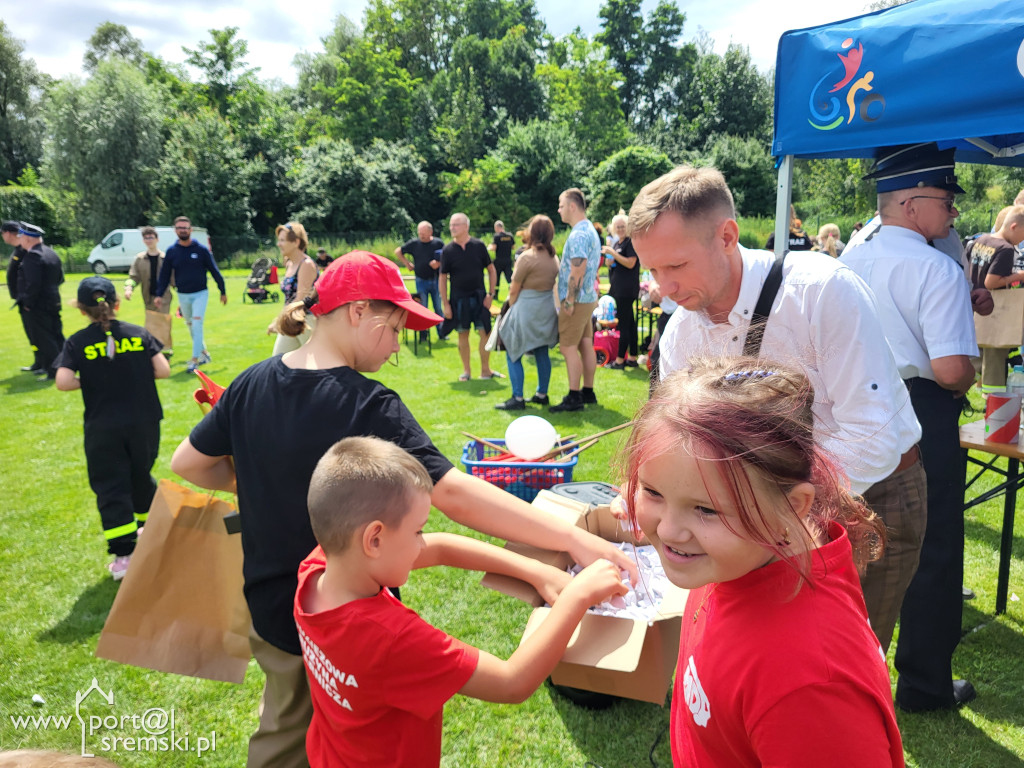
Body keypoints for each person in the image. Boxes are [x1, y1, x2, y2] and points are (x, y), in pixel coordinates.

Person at [170, 251, 638, 768]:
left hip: (280, 612)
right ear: (356, 312)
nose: (396, 347)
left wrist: (259, 480)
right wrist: (569, 538)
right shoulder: (368, 404)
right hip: (351, 624)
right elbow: (453, 494)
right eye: (392, 329)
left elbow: (188, 463)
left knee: (286, 733)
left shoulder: (251, 382)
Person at [628, 165, 925, 656]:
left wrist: (772, 509)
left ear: (727, 236)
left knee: (840, 661)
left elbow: (875, 433)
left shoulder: (822, 291)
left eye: (675, 266)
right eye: (653, 270)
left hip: (868, 498)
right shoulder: (682, 331)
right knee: (760, 655)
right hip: (746, 515)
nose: (664, 287)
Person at [622, 357, 903, 768]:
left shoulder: (808, 684)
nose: (668, 531)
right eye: (653, 492)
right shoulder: (734, 559)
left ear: (792, 507)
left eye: (705, 510)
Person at [295, 436, 627, 768]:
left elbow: (440, 549)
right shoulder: (391, 640)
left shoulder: (318, 568)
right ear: (375, 539)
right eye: (417, 532)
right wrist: (578, 594)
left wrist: (535, 570)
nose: (422, 542)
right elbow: (511, 682)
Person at [842, 142, 980, 713]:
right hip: (921, 408)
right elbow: (951, 371)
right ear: (912, 203)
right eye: (945, 200)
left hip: (855, 407)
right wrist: (966, 373)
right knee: (932, 542)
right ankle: (923, 683)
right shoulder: (937, 267)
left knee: (858, 540)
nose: (951, 212)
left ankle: (849, 668)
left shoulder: (849, 257)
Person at [54, 277, 169, 581]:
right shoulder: (138, 333)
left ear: (81, 310)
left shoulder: (77, 342)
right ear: (117, 304)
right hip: (144, 422)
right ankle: (155, 535)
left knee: (111, 487)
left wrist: (91, 382)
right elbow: (163, 369)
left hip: (104, 427)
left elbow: (63, 381)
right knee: (140, 475)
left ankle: (124, 555)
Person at [494, 215, 559, 410]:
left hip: (527, 308)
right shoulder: (553, 257)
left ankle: (518, 397)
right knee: (541, 351)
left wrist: (511, 308)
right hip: (546, 307)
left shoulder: (527, 257)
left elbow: (514, 289)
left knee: (513, 351)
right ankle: (542, 394)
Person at [153, 216, 226, 373]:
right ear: (175, 230)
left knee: (197, 323)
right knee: (192, 326)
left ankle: (194, 361)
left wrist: (223, 291)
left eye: (185, 227)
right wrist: (159, 294)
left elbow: (214, 270)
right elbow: (164, 275)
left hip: (200, 293)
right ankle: (204, 353)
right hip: (183, 295)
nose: (183, 230)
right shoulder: (172, 252)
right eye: (180, 228)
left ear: (190, 230)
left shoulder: (201, 250)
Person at [551, 188, 602, 412]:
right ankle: (588, 392)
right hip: (588, 297)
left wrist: (569, 300)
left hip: (578, 300)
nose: (559, 210)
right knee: (584, 345)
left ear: (572, 206)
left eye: (561, 205)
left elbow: (577, 269)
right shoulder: (588, 229)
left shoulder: (579, 233)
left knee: (568, 347)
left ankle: (574, 397)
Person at [965, 206, 1024, 388]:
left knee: (977, 352)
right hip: (994, 310)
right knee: (995, 357)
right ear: (1014, 226)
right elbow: (991, 282)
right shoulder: (1006, 249)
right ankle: (996, 400)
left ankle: (968, 383)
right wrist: (1019, 276)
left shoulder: (981, 239)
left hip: (974, 306)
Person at [439, 213, 500, 380]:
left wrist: (490, 294)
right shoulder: (448, 250)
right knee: (462, 334)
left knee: (484, 334)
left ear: (466, 226)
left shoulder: (478, 246)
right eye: (451, 225)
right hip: (458, 300)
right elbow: (442, 278)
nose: (452, 228)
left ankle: (485, 371)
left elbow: (491, 270)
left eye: (456, 224)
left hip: (480, 298)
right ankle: (466, 371)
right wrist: (445, 304)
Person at [18, 222, 65, 380]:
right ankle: (67, 366)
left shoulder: (33, 256)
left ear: (28, 239)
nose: (21, 240)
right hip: (53, 300)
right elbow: (60, 278)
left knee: (44, 337)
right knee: (57, 334)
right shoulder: (51, 253)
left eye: (22, 237)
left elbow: (33, 284)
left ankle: (53, 371)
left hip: (38, 304)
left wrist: (28, 304)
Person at [268, 221, 318, 356]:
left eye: (282, 240)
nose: (278, 244)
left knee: (317, 367)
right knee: (278, 362)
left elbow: (300, 299)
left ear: (296, 242)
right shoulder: (289, 263)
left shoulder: (306, 265)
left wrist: (278, 321)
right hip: (292, 320)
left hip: (307, 322)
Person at [601, 213, 641, 369]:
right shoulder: (618, 242)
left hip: (626, 289)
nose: (620, 229)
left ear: (627, 226)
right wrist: (610, 259)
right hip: (618, 288)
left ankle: (619, 360)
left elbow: (631, 263)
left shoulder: (630, 242)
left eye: (622, 226)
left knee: (623, 325)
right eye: (617, 227)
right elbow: (610, 264)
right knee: (630, 324)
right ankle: (632, 357)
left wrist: (613, 254)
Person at [124, 226, 172, 355]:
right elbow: (133, 277)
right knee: (151, 324)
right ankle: (157, 350)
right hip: (148, 297)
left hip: (164, 297)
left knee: (162, 321)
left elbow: (174, 279)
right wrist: (129, 289)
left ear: (157, 239)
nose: (149, 240)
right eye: (146, 238)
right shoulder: (139, 259)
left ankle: (164, 350)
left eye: (151, 237)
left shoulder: (165, 258)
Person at [395, 221, 444, 342]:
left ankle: (442, 333)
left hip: (435, 280)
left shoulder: (438, 243)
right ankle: (423, 335)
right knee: (423, 308)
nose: (421, 236)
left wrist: (439, 264)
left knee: (438, 307)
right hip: (421, 280)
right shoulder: (414, 244)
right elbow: (398, 251)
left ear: (430, 232)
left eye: (424, 233)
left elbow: (448, 256)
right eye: (419, 233)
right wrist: (407, 263)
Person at [2, 220, 36, 373]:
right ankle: (39, 361)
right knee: (31, 332)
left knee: (37, 332)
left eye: (3, 233)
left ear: (8, 233)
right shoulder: (19, 249)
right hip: (21, 299)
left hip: (28, 299)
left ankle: (46, 363)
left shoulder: (25, 250)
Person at [488, 220, 516, 301]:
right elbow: (513, 247)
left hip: (499, 261)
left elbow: (494, 248)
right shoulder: (510, 236)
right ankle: (512, 292)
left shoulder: (497, 236)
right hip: (508, 260)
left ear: (497, 227)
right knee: (510, 278)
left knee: (497, 278)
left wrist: (489, 247)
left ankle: (495, 295)